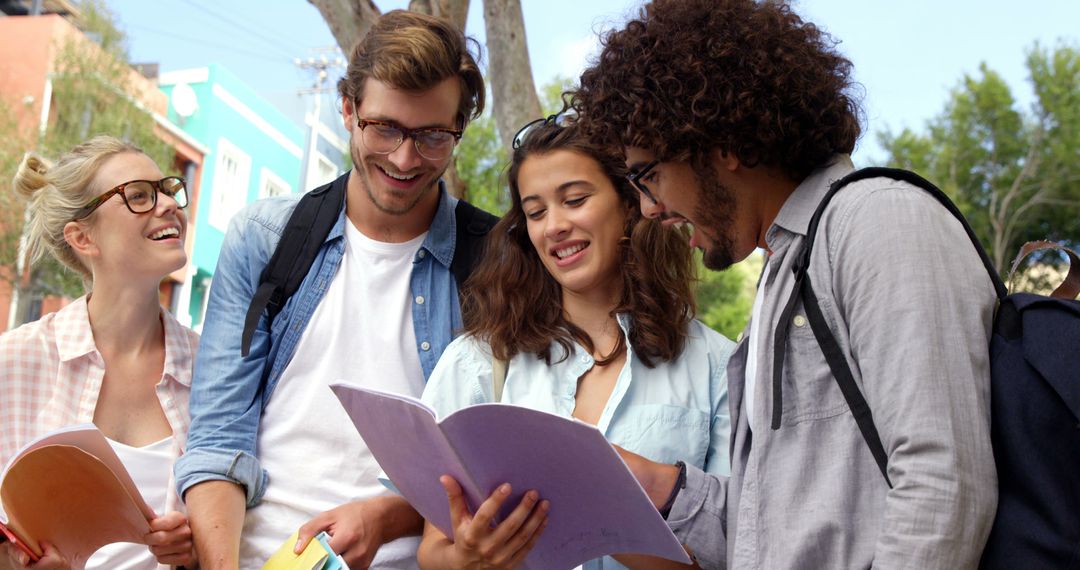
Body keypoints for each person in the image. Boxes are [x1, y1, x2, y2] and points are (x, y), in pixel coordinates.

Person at [571, 0, 999, 568]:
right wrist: (652, 484)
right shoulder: (786, 268)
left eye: (648, 176)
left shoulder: (877, 220)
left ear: (719, 143)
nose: (648, 209)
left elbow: (943, 487)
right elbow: (775, 530)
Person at [174, 10, 491, 570]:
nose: (404, 158)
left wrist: (387, 517)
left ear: (458, 131)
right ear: (347, 109)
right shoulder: (263, 238)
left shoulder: (496, 261)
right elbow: (220, 436)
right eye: (385, 128)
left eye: (432, 136)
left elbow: (496, 464)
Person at [415, 117, 734, 570]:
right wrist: (467, 559)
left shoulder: (719, 366)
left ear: (629, 204)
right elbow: (432, 549)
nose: (554, 227)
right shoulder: (479, 360)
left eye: (575, 200)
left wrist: (598, 508)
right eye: (536, 211)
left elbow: (741, 547)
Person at [0, 136, 198, 569]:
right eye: (139, 196)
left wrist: (194, 551)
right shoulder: (13, 363)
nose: (168, 204)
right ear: (83, 237)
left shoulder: (211, 372)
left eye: (166, 190)